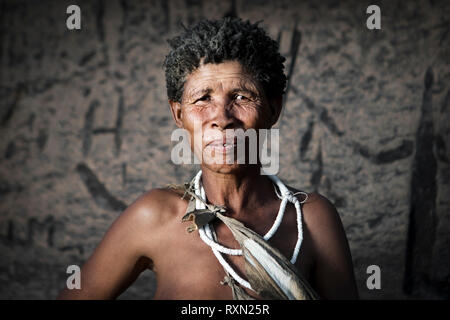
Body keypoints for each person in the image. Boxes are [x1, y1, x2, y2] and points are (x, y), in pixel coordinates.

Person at [57, 17, 358, 300]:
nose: (221, 118)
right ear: (178, 114)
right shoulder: (154, 217)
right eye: (203, 99)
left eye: (242, 97)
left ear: (273, 109)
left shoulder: (312, 219)